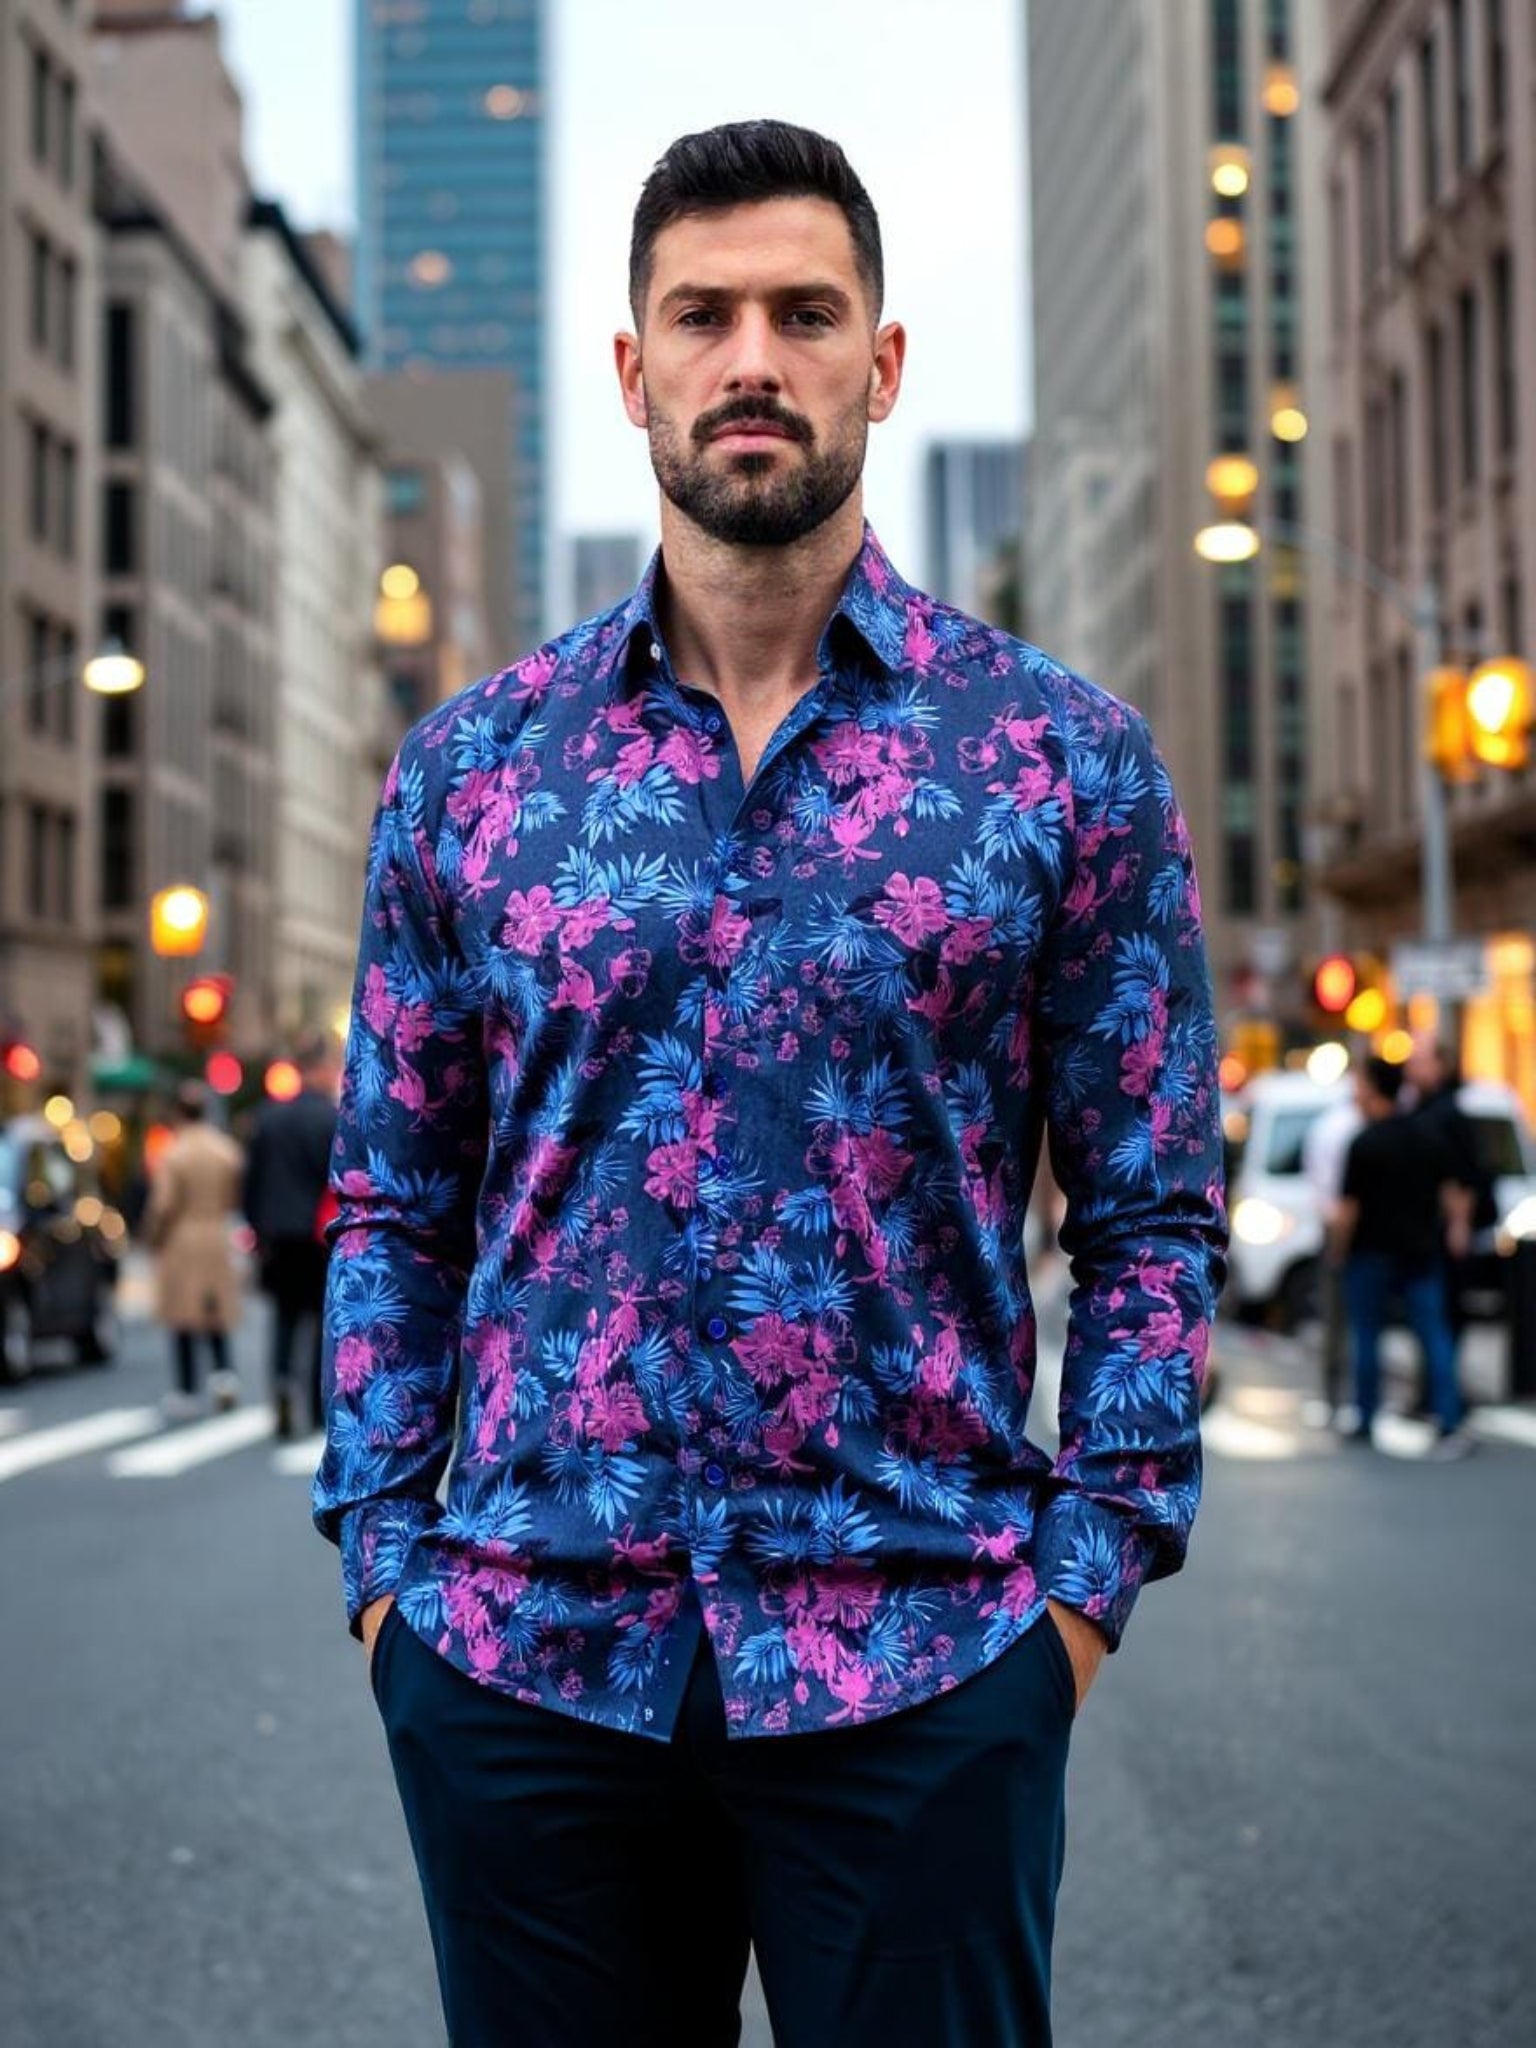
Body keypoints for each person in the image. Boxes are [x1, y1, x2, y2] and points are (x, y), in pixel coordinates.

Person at [315, 121, 1227, 2048]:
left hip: (928, 1658)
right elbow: (393, 1196)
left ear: (879, 365)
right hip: (524, 1662)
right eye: (702, 315)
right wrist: (392, 1576)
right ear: (631, 367)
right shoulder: (471, 771)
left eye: (804, 314)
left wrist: (1076, 1597)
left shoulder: (1061, 759)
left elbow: (1151, 1210)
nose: (752, 359)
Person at [1332, 1055, 1472, 1457]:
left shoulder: (1364, 1143)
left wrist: (1337, 1250)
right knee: (1434, 1335)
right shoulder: (1426, 1136)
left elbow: (1349, 1209)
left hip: (1371, 1252)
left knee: (1367, 1335)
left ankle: (1366, 1415)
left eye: (1360, 1084)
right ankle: (1448, 1418)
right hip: (1420, 1249)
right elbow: (1453, 1191)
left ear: (1374, 1089)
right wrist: (1456, 1228)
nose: (1356, 1092)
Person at [243, 1031, 339, 1439]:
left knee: (283, 1316)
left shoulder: (267, 1117)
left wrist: (256, 1228)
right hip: (318, 1235)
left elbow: (251, 1182)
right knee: (320, 1320)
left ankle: (282, 1385)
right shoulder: (331, 1119)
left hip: (277, 1234)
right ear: (322, 1068)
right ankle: (316, 1406)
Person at [145, 1081, 244, 1419]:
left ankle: (187, 1389)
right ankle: (224, 1375)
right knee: (215, 1312)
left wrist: (153, 1237)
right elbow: (235, 1195)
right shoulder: (225, 1149)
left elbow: (163, 1205)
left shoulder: (173, 1153)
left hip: (182, 1237)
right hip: (217, 1232)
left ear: (178, 1113)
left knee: (183, 1316)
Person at [1402, 1032, 1486, 1410]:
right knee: (1427, 1318)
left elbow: (1463, 1177)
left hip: (1441, 1232)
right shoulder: (1420, 1108)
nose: (1412, 1068)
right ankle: (1434, 1395)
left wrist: (1458, 1225)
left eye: (1420, 1060)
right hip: (1421, 1229)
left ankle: (1446, 1399)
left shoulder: (1449, 1114)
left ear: (1441, 1065)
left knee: (1443, 1317)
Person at [1301, 1066, 1362, 1422]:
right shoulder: (1353, 1126)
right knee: (1359, 1321)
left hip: (1339, 1227)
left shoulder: (1330, 1127)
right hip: (1360, 1230)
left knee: (1336, 1318)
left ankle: (1334, 1397)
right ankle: (1355, 1399)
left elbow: (1319, 1185)